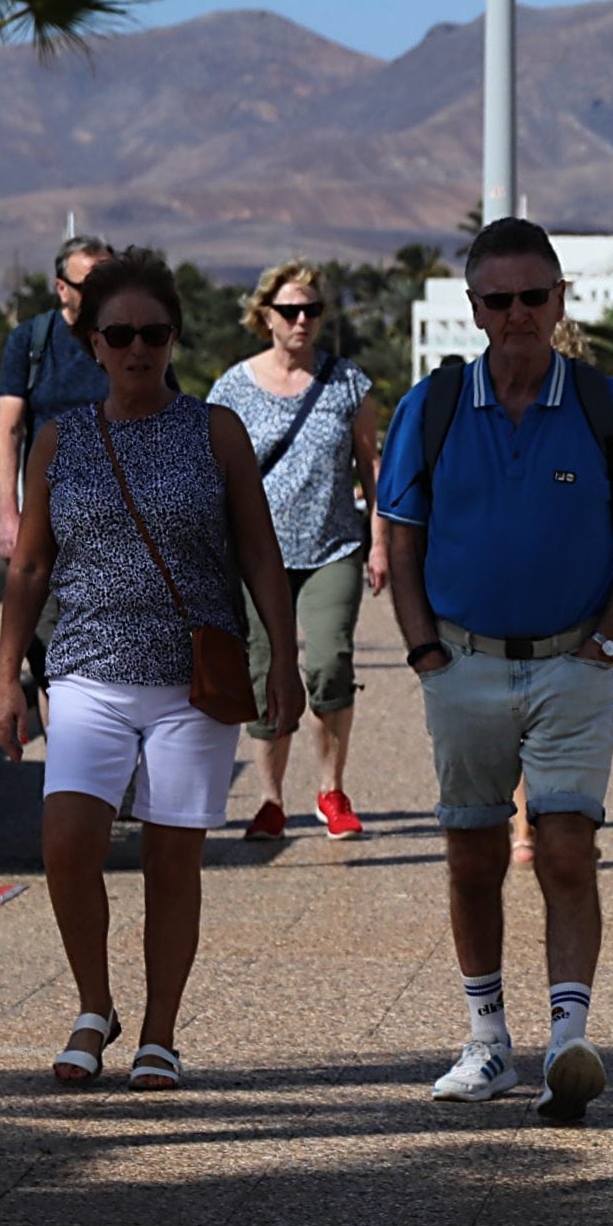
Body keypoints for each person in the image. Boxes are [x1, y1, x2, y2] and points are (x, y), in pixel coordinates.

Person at [378, 217, 613, 1122]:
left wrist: (608, 645)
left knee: (565, 850)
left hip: (572, 667)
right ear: (475, 308)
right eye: (499, 300)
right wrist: (426, 650)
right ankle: (486, 1040)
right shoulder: (430, 407)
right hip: (462, 665)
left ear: (558, 301)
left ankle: (566, 1040)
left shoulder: (601, 404)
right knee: (472, 857)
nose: (517, 315)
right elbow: (400, 531)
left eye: (533, 297)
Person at [0, 254, 301, 1094]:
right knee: (67, 842)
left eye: (153, 334)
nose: (137, 349)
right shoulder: (63, 439)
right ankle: (96, 1005)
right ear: (93, 343)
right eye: (119, 334)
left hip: (192, 681)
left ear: (173, 338)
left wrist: (286, 658)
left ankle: (160, 1031)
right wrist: (9, 676)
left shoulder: (215, 431)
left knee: (172, 861)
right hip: (87, 669)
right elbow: (28, 569)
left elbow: (258, 551)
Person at [209, 262, 385, 840]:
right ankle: (269, 800)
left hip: (332, 547)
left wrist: (379, 542)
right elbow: (212, 474)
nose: (303, 320)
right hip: (256, 556)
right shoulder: (232, 387)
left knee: (329, 663)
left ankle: (332, 790)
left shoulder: (347, 384)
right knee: (263, 674)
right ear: (265, 317)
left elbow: (372, 469)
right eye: (290, 311)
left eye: (312, 309)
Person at [0, 235, 115, 563]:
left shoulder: (135, 342)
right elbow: (9, 430)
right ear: (62, 288)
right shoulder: (31, 341)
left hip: (120, 521)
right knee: (41, 614)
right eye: (90, 285)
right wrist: (8, 516)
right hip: (47, 520)